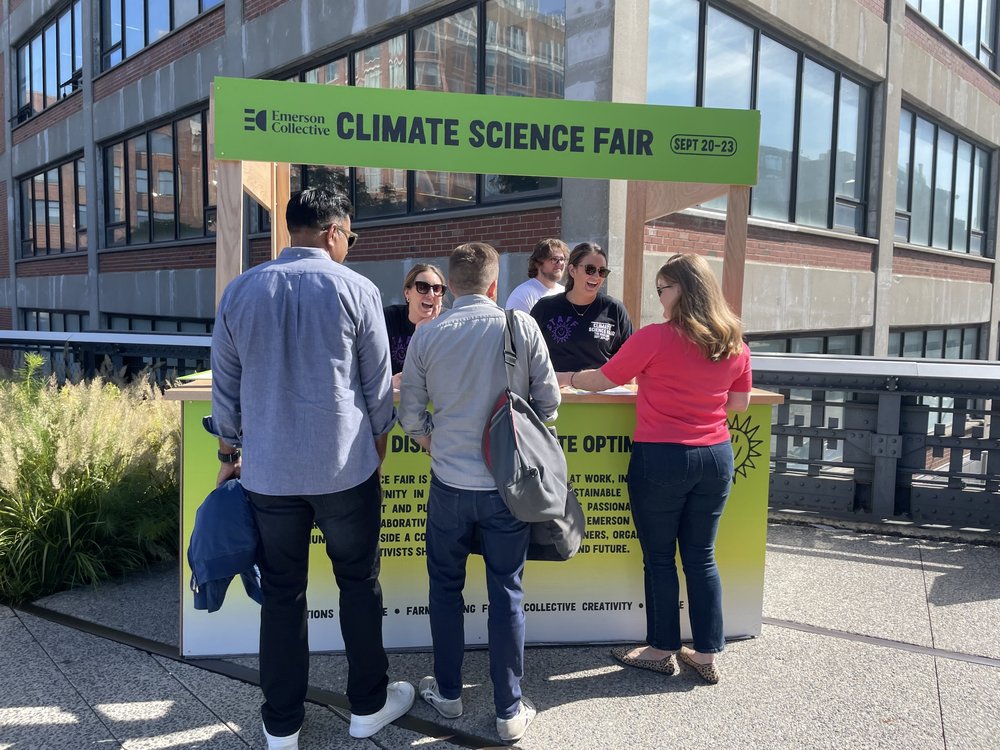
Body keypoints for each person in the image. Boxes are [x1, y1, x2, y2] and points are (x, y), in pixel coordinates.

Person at [209, 188, 414, 749]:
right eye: (350, 234)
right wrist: (379, 439)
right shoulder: (358, 290)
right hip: (345, 467)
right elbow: (377, 384)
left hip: (268, 472)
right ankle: (368, 706)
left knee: (281, 594)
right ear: (333, 231)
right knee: (358, 582)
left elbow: (225, 386)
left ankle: (281, 726)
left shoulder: (241, 291)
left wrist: (230, 454)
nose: (349, 243)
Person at [556, 253, 751, 685]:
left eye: (662, 289)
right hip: (716, 457)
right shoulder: (733, 339)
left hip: (661, 456)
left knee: (660, 557)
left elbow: (604, 379)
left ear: (681, 289)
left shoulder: (655, 338)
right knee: (701, 557)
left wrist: (567, 377)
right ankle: (705, 653)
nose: (659, 298)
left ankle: (661, 648)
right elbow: (738, 405)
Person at [399, 242, 560, 743]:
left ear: (450, 286)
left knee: (444, 590)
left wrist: (436, 443)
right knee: (506, 592)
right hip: (508, 488)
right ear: (494, 285)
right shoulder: (520, 325)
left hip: (448, 486)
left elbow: (409, 418)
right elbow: (549, 404)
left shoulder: (427, 336)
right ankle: (509, 709)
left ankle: (447, 694)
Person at [530, 242, 633, 372]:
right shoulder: (544, 309)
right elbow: (527, 356)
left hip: (601, 390)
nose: (596, 276)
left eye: (602, 271)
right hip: (555, 390)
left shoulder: (614, 310)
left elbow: (631, 360)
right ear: (572, 270)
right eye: (590, 269)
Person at [384, 263, 446, 389]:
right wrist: (388, 382)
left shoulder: (450, 324)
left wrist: (423, 332)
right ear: (407, 293)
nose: (431, 294)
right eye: (422, 287)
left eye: (437, 289)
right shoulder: (388, 318)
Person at [504, 238, 568, 314]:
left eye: (562, 259)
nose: (560, 263)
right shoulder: (522, 295)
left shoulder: (566, 293)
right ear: (538, 263)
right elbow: (514, 325)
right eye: (554, 259)